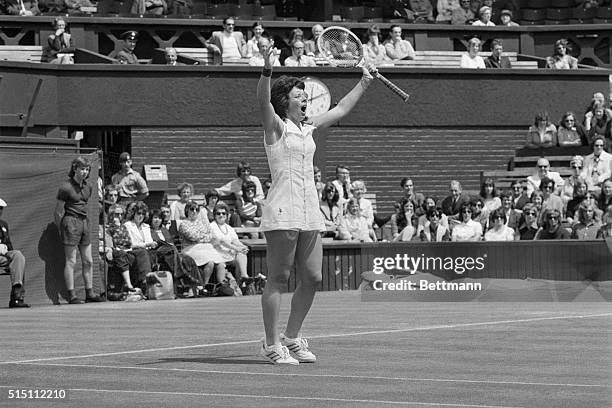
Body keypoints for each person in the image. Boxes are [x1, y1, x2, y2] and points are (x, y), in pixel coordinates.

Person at [256, 44, 375, 365]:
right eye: (298, 95)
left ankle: (291, 338)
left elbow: (340, 110)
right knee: (278, 279)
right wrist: (267, 69)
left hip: (310, 211)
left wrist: (365, 81)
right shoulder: (276, 126)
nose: (304, 98)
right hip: (282, 211)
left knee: (313, 278)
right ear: (285, 101)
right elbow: (262, 101)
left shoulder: (308, 127)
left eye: (304, 94)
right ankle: (271, 345)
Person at [55, 156, 103, 304]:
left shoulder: (88, 186)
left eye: (87, 169)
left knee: (88, 261)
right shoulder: (65, 187)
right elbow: (58, 212)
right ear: (75, 169)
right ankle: (72, 295)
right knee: (71, 261)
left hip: (84, 223)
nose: (84, 172)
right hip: (70, 222)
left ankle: (90, 293)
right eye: (82, 168)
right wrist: (62, 229)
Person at [178, 201, 223, 286]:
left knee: (220, 263)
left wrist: (202, 237)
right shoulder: (184, 223)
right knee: (210, 262)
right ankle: (204, 286)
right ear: (187, 210)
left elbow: (212, 235)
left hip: (205, 248)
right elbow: (192, 236)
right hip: (190, 249)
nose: (194, 211)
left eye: (197, 209)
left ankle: (222, 285)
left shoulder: (202, 222)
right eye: (192, 209)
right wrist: (205, 236)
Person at [209, 202, 250, 284]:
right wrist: (237, 248)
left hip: (229, 254)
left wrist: (243, 247)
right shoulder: (212, 226)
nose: (221, 215)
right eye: (218, 213)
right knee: (238, 252)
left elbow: (235, 241)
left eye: (223, 213)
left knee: (241, 254)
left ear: (227, 215)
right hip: (217, 255)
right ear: (214, 215)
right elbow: (221, 242)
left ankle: (243, 278)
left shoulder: (229, 228)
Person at [0, 198, 29, 308]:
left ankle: (16, 297)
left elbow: (9, 244)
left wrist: (6, 249)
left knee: (18, 256)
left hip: (4, 256)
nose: (0, 211)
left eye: (1, 208)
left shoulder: (3, 225)